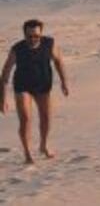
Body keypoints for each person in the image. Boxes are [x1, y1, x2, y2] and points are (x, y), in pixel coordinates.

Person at [1, 19, 69, 164]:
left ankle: (43, 146)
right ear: (24, 35)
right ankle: (27, 153)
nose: (33, 39)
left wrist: (64, 82)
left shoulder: (49, 44)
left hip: (43, 86)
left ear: (41, 34)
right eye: (29, 36)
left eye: (36, 36)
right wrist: (2, 99)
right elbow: (5, 73)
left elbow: (58, 61)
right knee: (25, 119)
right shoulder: (17, 49)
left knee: (46, 117)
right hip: (22, 86)